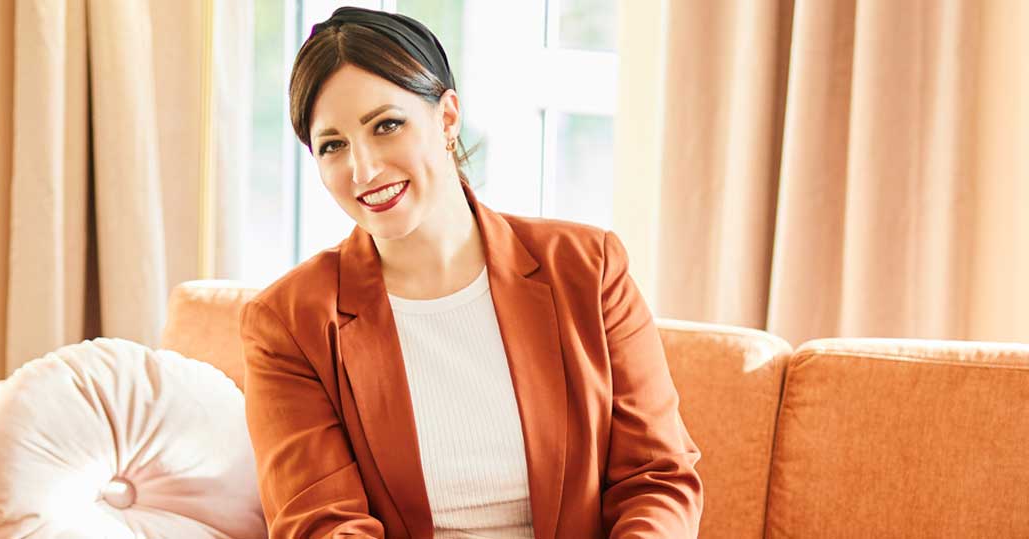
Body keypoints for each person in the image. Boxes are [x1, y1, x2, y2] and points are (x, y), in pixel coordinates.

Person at [237, 6, 703, 538]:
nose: (363, 170)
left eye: (386, 125)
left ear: (447, 118)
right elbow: (323, 523)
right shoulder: (288, 324)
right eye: (333, 145)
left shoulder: (589, 268)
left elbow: (656, 477)